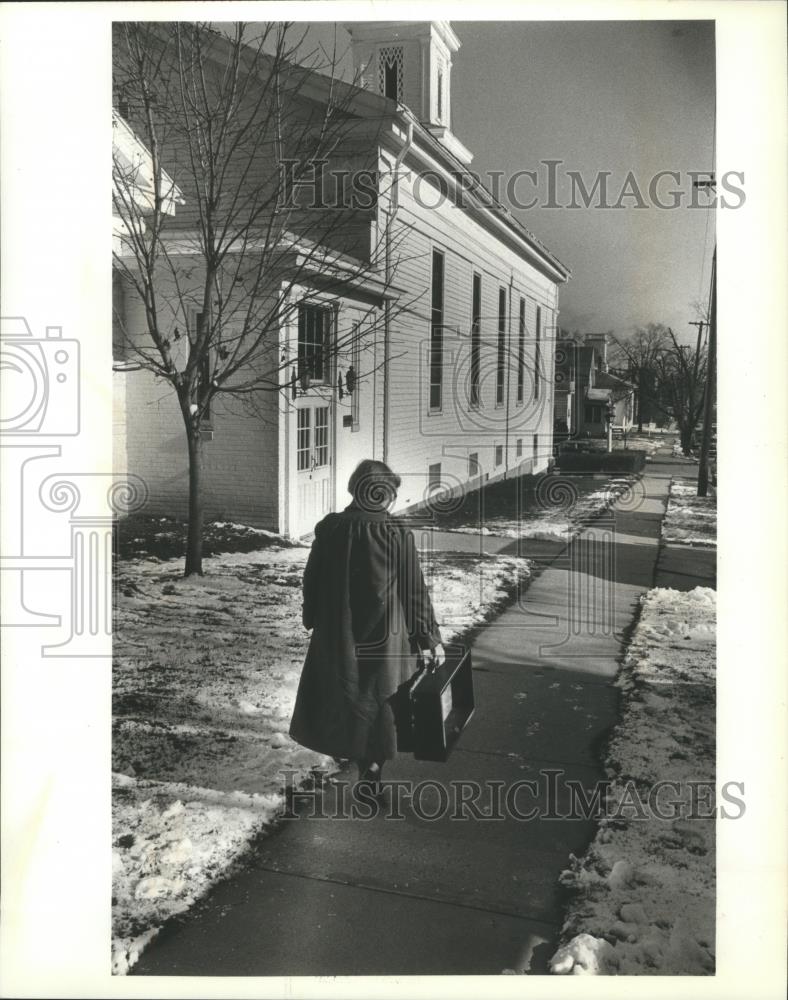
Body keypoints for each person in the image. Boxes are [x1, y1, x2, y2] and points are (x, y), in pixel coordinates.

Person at [289, 459, 445, 794]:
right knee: (381, 700)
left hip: (339, 632)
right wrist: (428, 637)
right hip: (386, 636)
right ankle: (373, 767)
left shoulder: (330, 528)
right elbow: (413, 590)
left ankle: (359, 760)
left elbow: (311, 578)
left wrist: (311, 614)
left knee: (349, 696)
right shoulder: (396, 533)